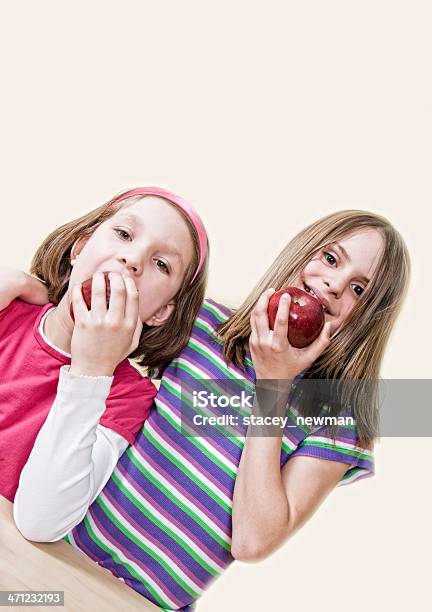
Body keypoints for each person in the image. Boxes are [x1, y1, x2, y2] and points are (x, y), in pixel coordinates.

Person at [15, 209, 410, 612]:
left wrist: (273, 387)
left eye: (360, 290)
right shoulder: (204, 326)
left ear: (368, 319)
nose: (333, 284)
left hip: (143, 603)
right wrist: (33, 287)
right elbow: (94, 320)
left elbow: (252, 541)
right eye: (330, 259)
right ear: (301, 252)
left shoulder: (336, 419)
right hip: (60, 554)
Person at [0, 187, 209, 529]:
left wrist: (92, 371)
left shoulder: (128, 396)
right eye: (124, 234)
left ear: (160, 313)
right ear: (79, 248)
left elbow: (41, 522)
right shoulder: (7, 309)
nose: (133, 260)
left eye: (161, 264)